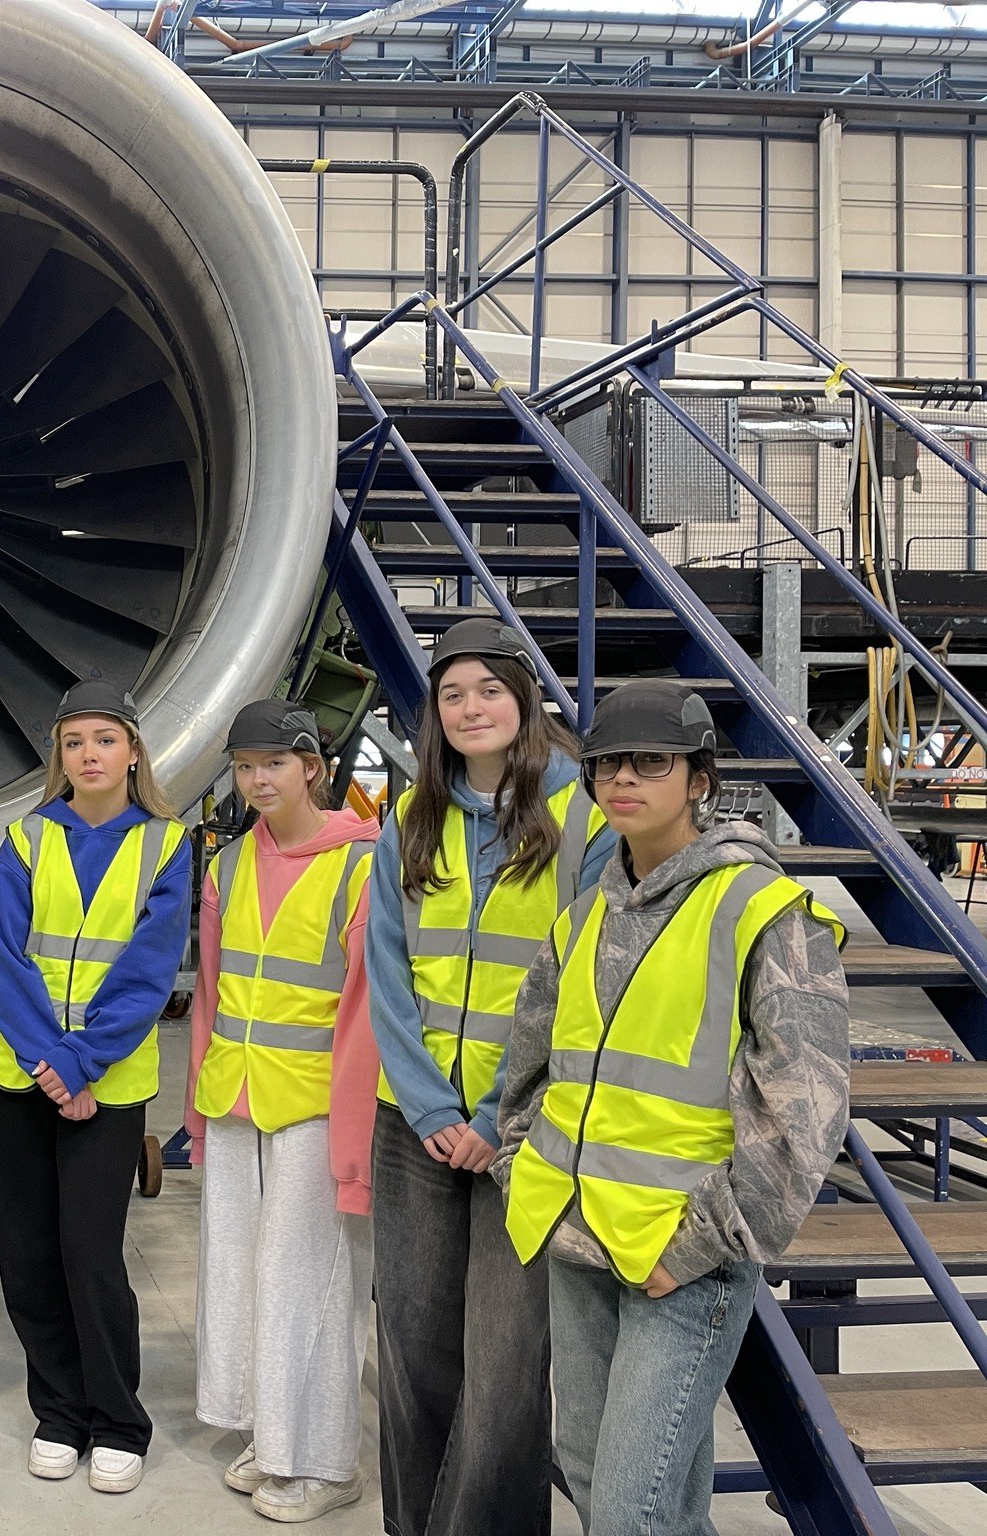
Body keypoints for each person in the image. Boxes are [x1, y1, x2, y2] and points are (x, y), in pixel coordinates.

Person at [497, 681, 849, 1535]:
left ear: (700, 780)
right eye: (607, 763)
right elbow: (528, 1072)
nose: (623, 778)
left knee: (632, 1509)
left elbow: (804, 1112)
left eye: (651, 761)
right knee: (594, 1474)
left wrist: (698, 1244)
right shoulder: (582, 918)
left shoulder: (762, 910)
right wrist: (523, 1175)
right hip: (574, 1235)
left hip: (683, 1257)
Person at [365, 617, 615, 1536]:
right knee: (411, 1348)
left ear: (527, 700)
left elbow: (578, 984)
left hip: (525, 1124)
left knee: (506, 1366)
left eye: (490, 690)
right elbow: (387, 971)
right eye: (452, 693)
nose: (472, 708)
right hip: (414, 1121)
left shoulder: (584, 818)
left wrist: (489, 1113)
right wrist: (431, 1105)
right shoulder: (409, 819)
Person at [0, 678, 192, 1497]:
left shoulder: (166, 844)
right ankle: (59, 1413)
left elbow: (148, 971)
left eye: (105, 740)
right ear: (59, 757)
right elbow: (4, 959)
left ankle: (118, 1421)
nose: (90, 755)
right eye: (75, 742)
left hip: (107, 1086)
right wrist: (49, 1062)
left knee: (91, 1254)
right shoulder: (26, 838)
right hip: (16, 1077)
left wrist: (79, 1065)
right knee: (27, 1255)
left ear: (133, 752)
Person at [187, 700, 378, 1524]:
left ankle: (327, 1461)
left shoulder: (361, 865)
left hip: (317, 1105)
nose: (258, 780)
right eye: (244, 766)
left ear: (313, 768)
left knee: (309, 1280)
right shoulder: (228, 865)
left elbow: (366, 1011)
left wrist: (356, 1147)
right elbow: (208, 995)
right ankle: (273, 1433)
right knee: (239, 1269)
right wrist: (196, 1113)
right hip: (234, 1092)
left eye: (274, 763)